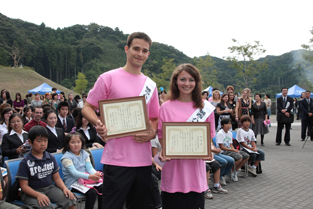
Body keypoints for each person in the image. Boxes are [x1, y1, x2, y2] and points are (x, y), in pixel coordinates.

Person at [82, 32, 159, 209]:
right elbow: (87, 108)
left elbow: (154, 118)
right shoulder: (108, 78)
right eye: (136, 49)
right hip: (116, 160)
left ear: (148, 54)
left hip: (143, 161)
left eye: (144, 50)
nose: (140, 53)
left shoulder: (151, 85)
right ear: (127, 49)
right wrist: (98, 123)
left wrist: (152, 132)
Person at [158, 63, 215, 209]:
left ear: (196, 83)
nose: (187, 84)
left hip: (195, 174)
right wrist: (164, 151)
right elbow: (162, 137)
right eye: (182, 79)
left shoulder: (205, 107)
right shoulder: (166, 107)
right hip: (173, 173)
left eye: (191, 80)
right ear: (176, 81)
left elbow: (208, 138)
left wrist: (209, 150)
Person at [15, 126, 76, 209]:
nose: (43, 144)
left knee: (70, 200)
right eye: (39, 141)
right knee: (46, 206)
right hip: (32, 192)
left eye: (45, 140)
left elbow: (57, 178)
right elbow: (24, 186)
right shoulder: (25, 162)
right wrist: (38, 195)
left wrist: (64, 188)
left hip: (49, 188)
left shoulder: (50, 157)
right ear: (30, 142)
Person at [61, 132, 102, 209]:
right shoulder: (66, 158)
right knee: (92, 193)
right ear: (67, 144)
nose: (76, 145)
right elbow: (74, 173)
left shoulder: (84, 153)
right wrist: (90, 177)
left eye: (78, 142)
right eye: (73, 142)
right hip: (73, 183)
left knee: (102, 188)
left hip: (85, 180)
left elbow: (89, 168)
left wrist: (96, 174)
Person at [216, 118, 249, 182]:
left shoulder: (230, 133)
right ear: (222, 125)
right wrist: (233, 151)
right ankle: (230, 172)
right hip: (223, 151)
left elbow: (231, 144)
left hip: (230, 150)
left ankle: (235, 171)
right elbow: (221, 147)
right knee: (239, 157)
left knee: (246, 156)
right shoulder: (220, 133)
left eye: (230, 124)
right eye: (227, 124)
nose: (229, 125)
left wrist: (234, 150)